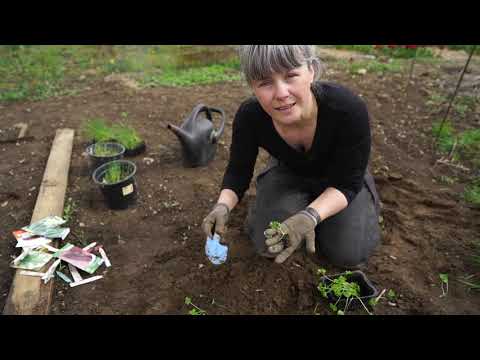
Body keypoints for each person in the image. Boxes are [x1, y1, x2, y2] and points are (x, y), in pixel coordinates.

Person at [202, 45, 381, 268]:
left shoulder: (347, 109)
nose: (281, 93)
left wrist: (310, 216)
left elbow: (346, 182)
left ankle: (351, 207)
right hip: (289, 170)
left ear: (311, 70)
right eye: (265, 82)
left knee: (346, 254)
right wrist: (222, 207)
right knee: (268, 244)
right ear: (252, 87)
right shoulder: (250, 116)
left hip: (339, 177)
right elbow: (238, 172)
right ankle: (292, 204)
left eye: (291, 76)